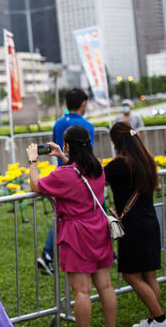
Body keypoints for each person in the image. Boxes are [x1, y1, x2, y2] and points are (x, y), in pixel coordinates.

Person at [26, 125, 116, 327]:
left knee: (82, 291)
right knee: (106, 286)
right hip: (99, 230)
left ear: (67, 145)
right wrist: (62, 155)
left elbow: (35, 184)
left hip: (77, 235)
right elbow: (78, 175)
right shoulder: (96, 170)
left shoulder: (64, 175)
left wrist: (33, 160)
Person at [104, 122, 164, 327]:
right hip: (150, 222)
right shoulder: (146, 159)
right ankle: (153, 321)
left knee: (131, 275)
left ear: (116, 142)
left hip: (133, 227)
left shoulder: (119, 164)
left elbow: (93, 178)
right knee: (150, 276)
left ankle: (160, 319)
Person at [38, 88, 95, 275]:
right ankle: (103, 248)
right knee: (93, 213)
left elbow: (59, 150)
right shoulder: (87, 125)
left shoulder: (58, 124)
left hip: (62, 174)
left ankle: (47, 255)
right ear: (83, 104)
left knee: (62, 216)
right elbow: (88, 155)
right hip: (81, 178)